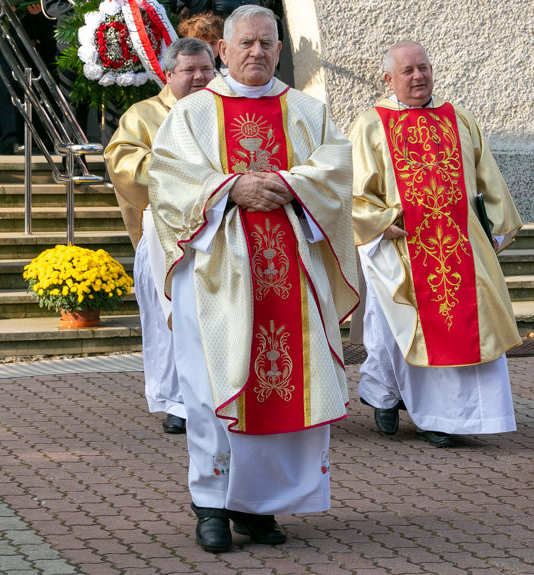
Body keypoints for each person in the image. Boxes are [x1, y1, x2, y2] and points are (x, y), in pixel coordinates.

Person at [147, 5, 358, 552]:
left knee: (286, 383)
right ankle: (212, 504)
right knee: (209, 388)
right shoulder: (192, 113)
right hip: (216, 279)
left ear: (279, 50)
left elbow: (336, 169)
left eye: (267, 43)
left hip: (290, 276)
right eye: (246, 43)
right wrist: (229, 189)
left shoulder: (307, 111)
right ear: (223, 49)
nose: (257, 53)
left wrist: (290, 183)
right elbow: (168, 180)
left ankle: (259, 507)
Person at [348, 40, 523, 449]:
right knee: (397, 331)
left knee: (466, 326)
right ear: (388, 79)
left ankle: (429, 411)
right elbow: (353, 192)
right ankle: (399, 402)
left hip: (460, 244)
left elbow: (487, 177)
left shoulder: (458, 117)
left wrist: (494, 229)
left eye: (423, 68)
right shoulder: (370, 125)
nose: (419, 77)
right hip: (401, 246)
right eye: (407, 71)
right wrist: (380, 220)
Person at [103, 37, 217, 435]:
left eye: (206, 69)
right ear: (168, 74)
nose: (200, 77)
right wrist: (189, 178)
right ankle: (176, 401)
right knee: (169, 319)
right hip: (164, 234)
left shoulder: (224, 109)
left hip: (220, 231)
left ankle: (219, 395)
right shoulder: (143, 115)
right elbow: (123, 162)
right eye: (189, 71)